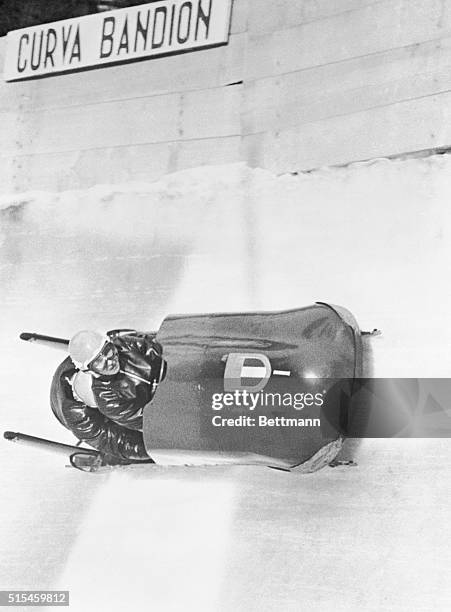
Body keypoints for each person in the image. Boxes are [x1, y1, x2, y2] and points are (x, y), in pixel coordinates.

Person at [50, 329, 165, 465]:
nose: (110, 362)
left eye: (108, 351)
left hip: (80, 365)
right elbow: (120, 443)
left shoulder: (114, 350)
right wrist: (155, 450)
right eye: (100, 363)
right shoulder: (83, 418)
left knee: (98, 354)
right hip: (72, 414)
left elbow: (150, 344)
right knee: (120, 452)